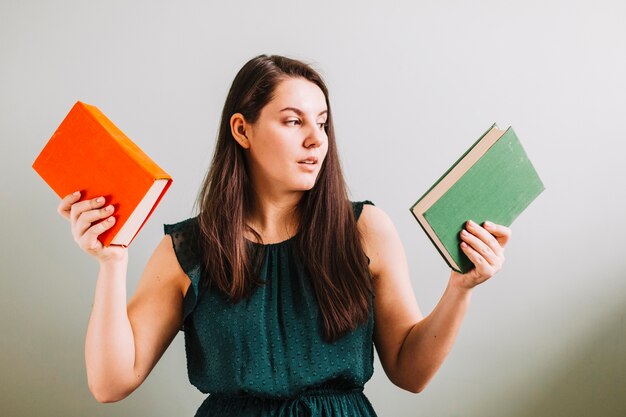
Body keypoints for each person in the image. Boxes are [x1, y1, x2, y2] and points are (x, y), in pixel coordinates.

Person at [56, 54, 511, 417]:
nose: (317, 139)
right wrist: (112, 262)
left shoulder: (366, 230)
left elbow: (410, 373)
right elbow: (110, 383)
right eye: (294, 121)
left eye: (323, 121)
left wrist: (461, 288)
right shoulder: (189, 249)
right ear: (242, 129)